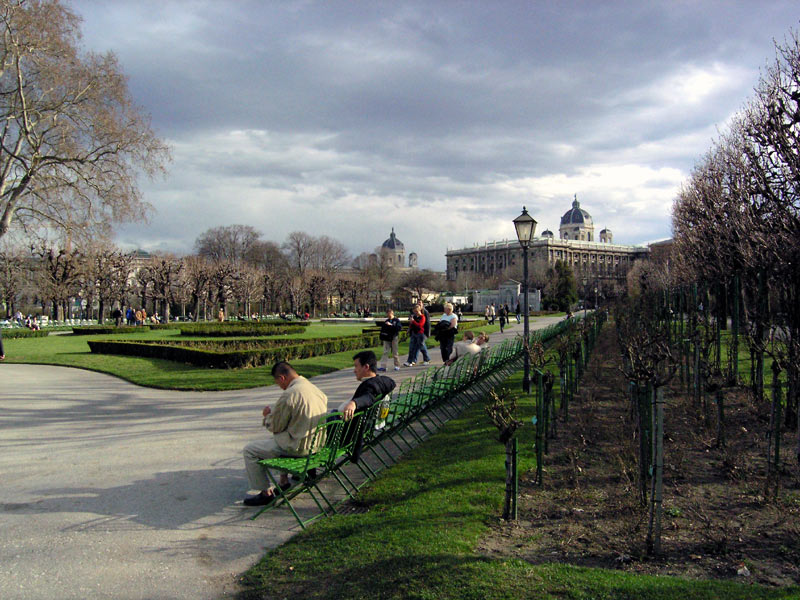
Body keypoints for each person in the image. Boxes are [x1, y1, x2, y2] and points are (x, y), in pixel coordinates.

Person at [242, 361, 329, 507]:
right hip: (316, 446)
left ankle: (265, 493)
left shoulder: (289, 394)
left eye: (278, 383)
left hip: (297, 448)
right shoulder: (316, 390)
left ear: (282, 378)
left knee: (250, 450)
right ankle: (283, 481)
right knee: (280, 437)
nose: (280, 387)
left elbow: (275, 426)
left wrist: (267, 416)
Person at [337, 351, 397, 419]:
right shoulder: (381, 381)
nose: (354, 370)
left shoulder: (369, 386)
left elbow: (368, 397)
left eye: (356, 366)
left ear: (366, 367)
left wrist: (354, 403)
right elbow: (391, 382)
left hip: (344, 424)